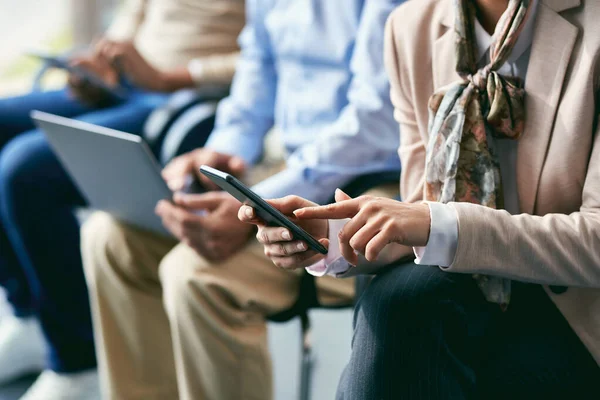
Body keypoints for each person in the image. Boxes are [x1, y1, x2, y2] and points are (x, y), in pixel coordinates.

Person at [241, 0, 600, 398]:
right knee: (402, 301)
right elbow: (417, 208)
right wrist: (328, 233)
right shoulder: (410, 28)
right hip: (467, 298)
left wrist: (436, 222)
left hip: (576, 319)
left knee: (406, 307)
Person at [80, 0, 405, 398]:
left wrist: (255, 202)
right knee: (110, 239)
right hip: (286, 168)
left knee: (198, 276)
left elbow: (373, 125)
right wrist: (222, 158)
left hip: (366, 190)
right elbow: (256, 77)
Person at [0, 0, 244, 398]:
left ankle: (78, 360)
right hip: (130, 86)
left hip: (183, 96)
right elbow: (138, 12)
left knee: (24, 169)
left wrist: (171, 77)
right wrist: (105, 63)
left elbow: (268, 61)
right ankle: (29, 313)